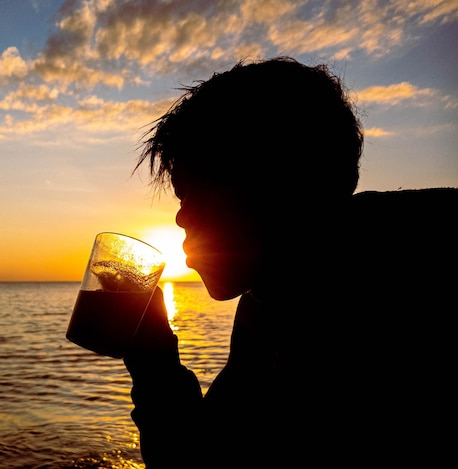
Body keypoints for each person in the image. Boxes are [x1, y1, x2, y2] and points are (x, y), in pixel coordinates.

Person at [122, 57, 457, 467]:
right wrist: (154, 359)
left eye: (205, 185)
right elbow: (212, 449)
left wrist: (156, 368)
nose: (181, 216)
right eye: (180, 194)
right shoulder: (268, 302)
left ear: (289, 179)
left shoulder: (397, 286)